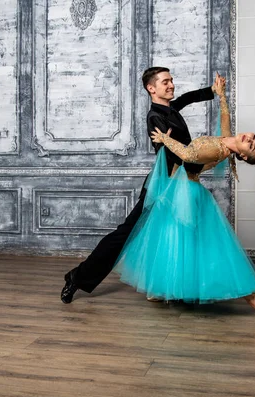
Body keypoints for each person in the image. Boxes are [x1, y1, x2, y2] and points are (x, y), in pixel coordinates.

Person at [112, 75, 255, 323]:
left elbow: (189, 155)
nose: (250, 139)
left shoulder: (218, 149)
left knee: (192, 244)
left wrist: (164, 139)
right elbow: (225, 124)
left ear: (243, 157)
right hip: (185, 188)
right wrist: (220, 96)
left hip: (184, 191)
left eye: (252, 146)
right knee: (182, 243)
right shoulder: (229, 142)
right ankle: (164, 288)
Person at [61, 67, 223, 303]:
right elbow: (168, 155)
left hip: (181, 183)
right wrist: (198, 158)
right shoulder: (155, 117)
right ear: (151, 88)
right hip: (163, 187)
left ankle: (180, 288)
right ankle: (77, 277)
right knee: (125, 234)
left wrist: (212, 91)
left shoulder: (171, 109)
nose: (171, 85)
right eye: (165, 82)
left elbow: (187, 98)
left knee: (187, 232)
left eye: (171, 80)